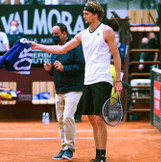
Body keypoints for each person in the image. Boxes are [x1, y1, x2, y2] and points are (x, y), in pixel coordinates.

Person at [29, 1, 122, 162]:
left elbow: (117, 56)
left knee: (99, 118)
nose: (84, 15)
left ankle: (102, 156)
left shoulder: (107, 31)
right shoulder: (82, 34)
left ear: (95, 14)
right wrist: (38, 46)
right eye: (84, 13)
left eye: (86, 13)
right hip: (88, 81)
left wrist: (119, 81)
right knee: (92, 118)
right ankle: (98, 154)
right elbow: (61, 49)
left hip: (102, 79)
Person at [44, 23, 84, 161]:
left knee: (67, 117)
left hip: (73, 88)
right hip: (59, 89)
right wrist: (50, 70)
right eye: (53, 34)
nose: (54, 37)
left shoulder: (75, 46)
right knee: (61, 121)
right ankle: (64, 147)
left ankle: (70, 149)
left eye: (57, 34)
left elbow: (81, 66)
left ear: (65, 34)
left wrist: (64, 68)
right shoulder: (55, 49)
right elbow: (56, 71)